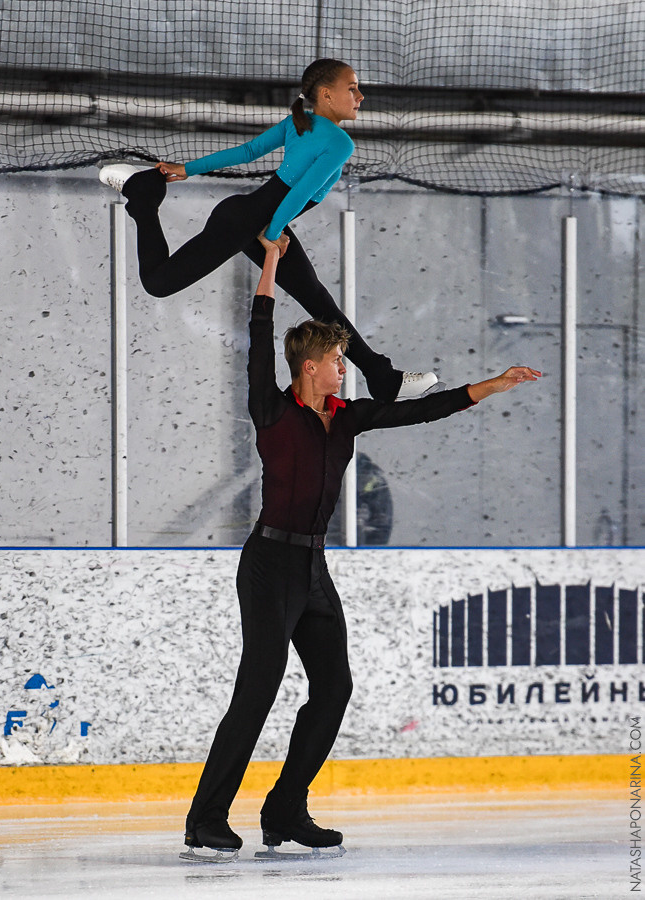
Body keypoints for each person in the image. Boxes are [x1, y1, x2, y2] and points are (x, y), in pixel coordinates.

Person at [180, 233, 541, 861]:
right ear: (310, 365)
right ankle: (205, 818)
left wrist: (490, 386)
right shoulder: (271, 408)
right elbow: (260, 330)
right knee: (257, 691)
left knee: (334, 687)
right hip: (268, 565)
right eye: (338, 359)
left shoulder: (345, 416)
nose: (345, 366)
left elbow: (417, 415)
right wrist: (268, 261)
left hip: (312, 566)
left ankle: (284, 809)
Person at [98, 58, 438, 403]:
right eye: (352, 88)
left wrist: (189, 169)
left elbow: (248, 152)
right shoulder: (338, 142)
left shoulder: (299, 123)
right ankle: (142, 197)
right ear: (326, 94)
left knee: (316, 298)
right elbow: (298, 192)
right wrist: (273, 234)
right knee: (158, 283)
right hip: (247, 223)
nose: (360, 96)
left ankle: (383, 377)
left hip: (248, 219)